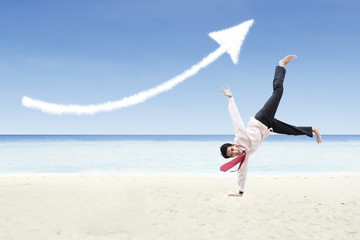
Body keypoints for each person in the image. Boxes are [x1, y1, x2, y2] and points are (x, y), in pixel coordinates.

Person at [220, 55, 322, 197]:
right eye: (232, 154)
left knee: (278, 92)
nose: (234, 153)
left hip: (262, 119)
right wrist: (240, 192)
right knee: (290, 130)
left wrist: (231, 99)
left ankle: (281, 65)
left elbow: (236, 120)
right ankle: (313, 129)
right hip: (268, 127)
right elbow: (242, 172)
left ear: (233, 145)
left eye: (232, 149)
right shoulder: (244, 156)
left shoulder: (240, 138)